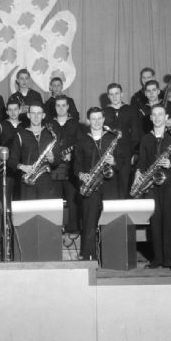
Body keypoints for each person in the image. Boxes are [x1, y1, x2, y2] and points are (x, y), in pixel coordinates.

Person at [134, 104, 171, 270]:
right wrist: (138, 172)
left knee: (170, 220)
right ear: (150, 118)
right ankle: (157, 259)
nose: (157, 118)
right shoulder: (146, 138)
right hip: (152, 183)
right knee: (155, 221)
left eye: (160, 115)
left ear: (166, 118)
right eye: (154, 115)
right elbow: (142, 160)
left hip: (169, 181)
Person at [74, 107, 122, 261]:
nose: (96, 121)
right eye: (93, 119)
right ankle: (89, 257)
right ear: (88, 121)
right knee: (89, 223)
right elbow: (76, 165)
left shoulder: (112, 138)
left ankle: (111, 259)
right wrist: (81, 175)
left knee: (111, 223)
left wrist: (114, 161)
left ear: (103, 119)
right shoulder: (82, 140)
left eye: (99, 118)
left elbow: (122, 163)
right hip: (91, 186)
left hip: (110, 185)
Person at [8, 102, 60, 200]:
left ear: (43, 115)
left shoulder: (51, 135)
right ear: (28, 115)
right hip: (27, 182)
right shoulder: (20, 135)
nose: (36, 116)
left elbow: (57, 160)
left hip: (46, 181)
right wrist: (22, 167)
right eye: (33, 113)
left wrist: (52, 159)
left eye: (39, 113)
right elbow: (11, 160)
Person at [46, 95, 81, 234]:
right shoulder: (49, 125)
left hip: (71, 168)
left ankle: (73, 231)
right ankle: (54, 231)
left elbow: (81, 144)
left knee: (73, 201)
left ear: (68, 107)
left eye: (63, 105)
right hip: (54, 168)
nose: (61, 108)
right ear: (55, 108)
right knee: (54, 201)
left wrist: (73, 155)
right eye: (58, 105)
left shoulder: (76, 124)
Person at [103, 83, 141, 199]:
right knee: (109, 189)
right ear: (108, 96)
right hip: (108, 155)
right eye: (111, 94)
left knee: (125, 188)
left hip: (126, 155)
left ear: (122, 94)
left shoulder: (131, 110)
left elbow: (136, 134)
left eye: (117, 93)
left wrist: (134, 153)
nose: (114, 97)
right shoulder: (103, 112)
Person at [0, 99, 25, 203]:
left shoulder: (25, 126)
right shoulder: (1, 126)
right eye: (10, 110)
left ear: (20, 110)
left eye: (15, 109)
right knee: (5, 199)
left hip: (22, 167)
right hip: (5, 168)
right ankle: (5, 219)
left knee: (20, 199)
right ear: (7, 112)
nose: (13, 112)